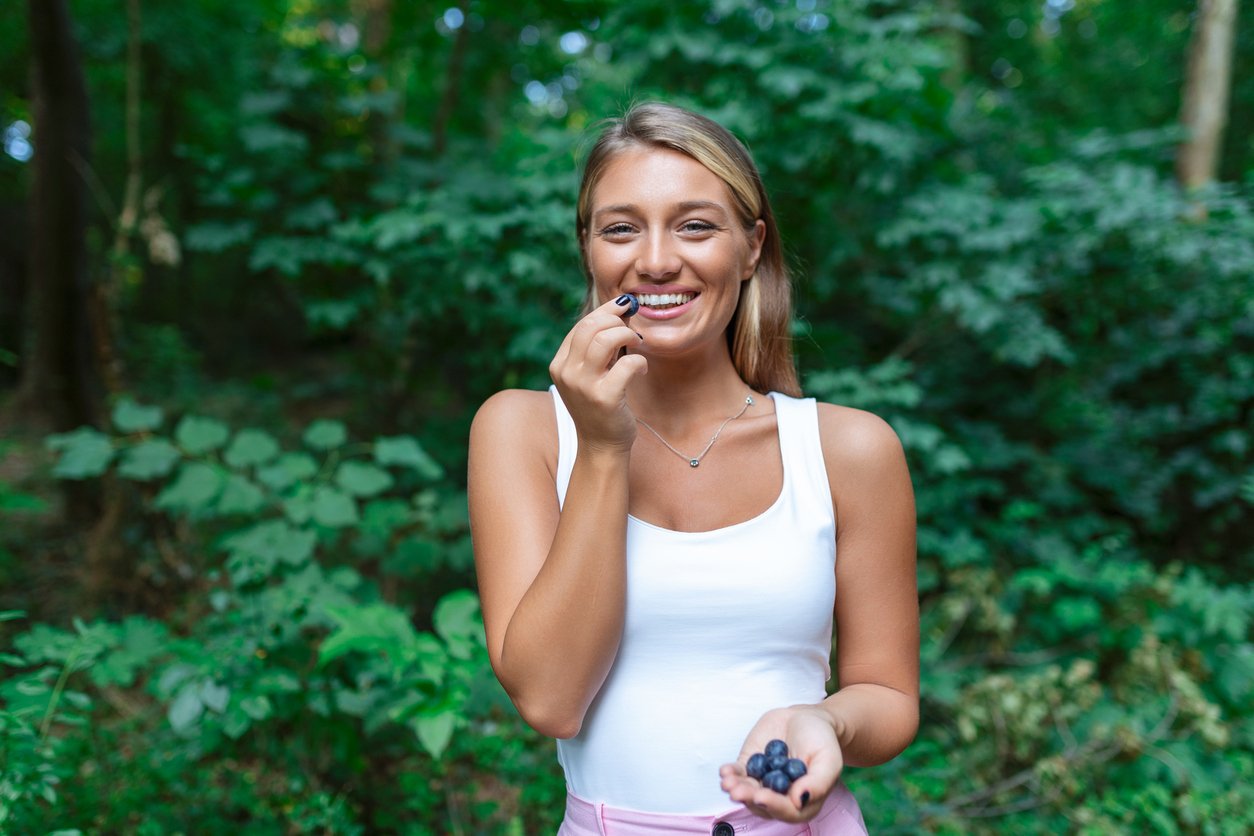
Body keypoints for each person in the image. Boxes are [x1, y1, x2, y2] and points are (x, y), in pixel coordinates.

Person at [468, 102, 918, 834]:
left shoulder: (849, 449)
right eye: (621, 227)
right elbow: (551, 700)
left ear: (750, 248)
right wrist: (605, 447)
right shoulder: (523, 430)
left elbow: (888, 695)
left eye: (695, 225)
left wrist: (826, 721)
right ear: (589, 250)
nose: (655, 259)